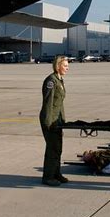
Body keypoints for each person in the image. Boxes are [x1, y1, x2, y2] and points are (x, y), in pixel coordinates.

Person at [40, 55, 69, 186]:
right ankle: (48, 177)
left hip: (57, 121)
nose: (67, 68)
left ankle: (56, 173)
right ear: (58, 66)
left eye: (68, 66)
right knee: (52, 148)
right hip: (50, 120)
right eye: (65, 66)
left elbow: (60, 104)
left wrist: (62, 123)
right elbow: (48, 104)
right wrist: (48, 123)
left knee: (58, 148)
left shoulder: (59, 80)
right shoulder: (51, 81)